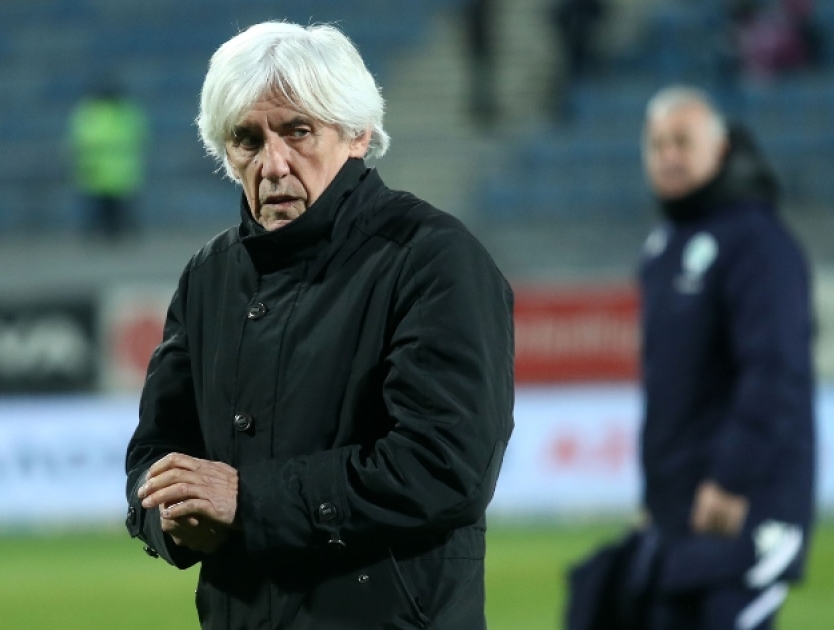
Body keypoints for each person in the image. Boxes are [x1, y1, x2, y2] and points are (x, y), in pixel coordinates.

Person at [124, 21, 514, 629]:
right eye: (247, 140)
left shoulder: (433, 258)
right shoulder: (208, 276)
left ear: (358, 134)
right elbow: (154, 453)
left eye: (298, 131)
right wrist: (166, 515)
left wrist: (247, 500)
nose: (273, 164)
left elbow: (444, 467)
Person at [636, 85, 816, 629]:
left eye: (682, 141)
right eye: (657, 144)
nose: (669, 155)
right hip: (679, 512)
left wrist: (732, 478)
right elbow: (671, 393)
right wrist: (657, 497)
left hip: (741, 508)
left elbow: (776, 372)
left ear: (720, 149)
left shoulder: (758, 241)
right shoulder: (663, 246)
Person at [66, 79, 148, 241]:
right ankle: (109, 236)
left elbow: (78, 141)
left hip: (101, 170)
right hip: (114, 170)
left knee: (111, 209)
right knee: (105, 209)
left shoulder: (89, 113)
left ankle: (109, 236)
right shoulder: (126, 112)